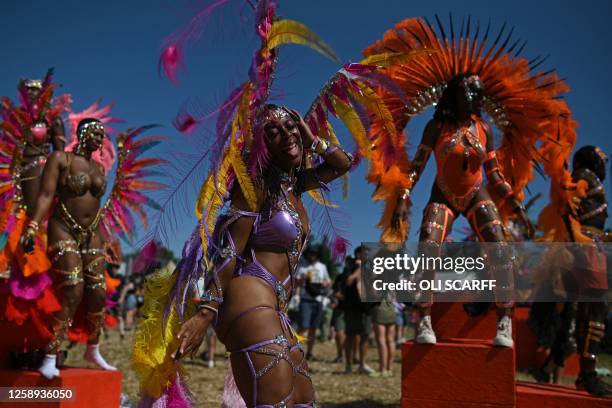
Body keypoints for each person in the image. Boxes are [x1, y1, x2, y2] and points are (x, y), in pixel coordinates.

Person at [363, 17, 577, 348]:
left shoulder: (485, 130)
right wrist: (403, 195)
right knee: (429, 247)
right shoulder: (436, 128)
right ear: (457, 94)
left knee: (499, 246)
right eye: (472, 91)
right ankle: (425, 320)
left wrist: (513, 202)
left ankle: (504, 320)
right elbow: (417, 167)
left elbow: (493, 173)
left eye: (479, 92)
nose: (478, 97)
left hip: (477, 194)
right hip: (443, 195)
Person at [22, 118, 163, 379]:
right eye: (95, 133)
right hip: (62, 229)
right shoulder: (60, 159)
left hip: (93, 235)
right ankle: (50, 355)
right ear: (82, 133)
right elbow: (45, 195)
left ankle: (93, 349)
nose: (100, 139)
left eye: (102, 135)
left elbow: (96, 209)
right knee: (74, 290)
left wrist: (109, 239)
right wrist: (32, 226)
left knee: (98, 294)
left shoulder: (99, 168)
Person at [533, 146, 611, 396]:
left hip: (587, 248)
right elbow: (567, 205)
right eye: (601, 156)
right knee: (594, 309)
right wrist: (575, 241)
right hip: (585, 251)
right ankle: (587, 373)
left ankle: (570, 368)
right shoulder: (585, 175)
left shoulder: (585, 177)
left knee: (578, 311)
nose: (604, 160)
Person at [343, 246, 374, 374]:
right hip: (352, 307)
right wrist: (358, 271)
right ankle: (349, 366)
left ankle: (363, 364)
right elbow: (348, 282)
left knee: (365, 336)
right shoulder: (349, 268)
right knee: (350, 336)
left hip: (366, 309)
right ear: (357, 255)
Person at [297, 246, 331, 360]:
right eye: (311, 254)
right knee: (304, 326)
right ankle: (296, 351)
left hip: (318, 299)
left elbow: (328, 281)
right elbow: (295, 282)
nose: (312, 256)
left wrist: (325, 283)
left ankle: (309, 353)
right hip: (305, 299)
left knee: (313, 328)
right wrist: (303, 279)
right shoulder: (302, 267)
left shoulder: (322, 267)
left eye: (314, 254)